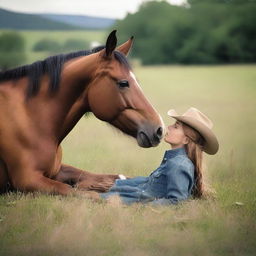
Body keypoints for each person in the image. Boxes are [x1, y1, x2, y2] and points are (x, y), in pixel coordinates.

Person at [100, 107, 219, 205]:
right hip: (136, 195)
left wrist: (143, 207)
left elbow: (176, 201)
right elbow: (151, 184)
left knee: (91, 196)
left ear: (186, 139)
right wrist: (121, 183)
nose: (169, 127)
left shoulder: (179, 165)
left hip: (136, 201)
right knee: (96, 189)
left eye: (176, 127)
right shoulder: (174, 160)